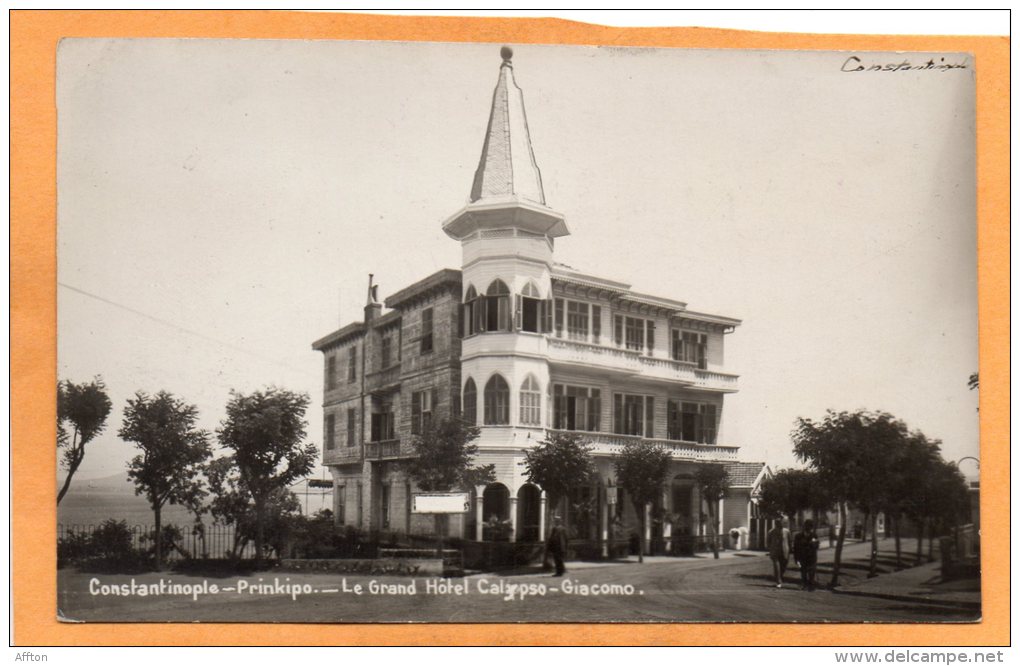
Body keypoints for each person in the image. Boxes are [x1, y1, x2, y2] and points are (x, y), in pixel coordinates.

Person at [793, 519, 820, 591]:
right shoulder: (798, 536)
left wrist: (813, 543)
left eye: (810, 527)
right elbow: (795, 548)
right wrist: (796, 559)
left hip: (812, 558)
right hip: (802, 558)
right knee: (803, 572)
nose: (808, 528)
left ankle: (811, 586)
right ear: (804, 527)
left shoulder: (814, 535)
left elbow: (816, 546)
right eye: (807, 526)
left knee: (811, 573)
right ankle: (804, 585)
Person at [766, 519, 793, 588]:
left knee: (783, 566)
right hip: (775, 552)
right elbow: (768, 541)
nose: (780, 525)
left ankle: (779, 577)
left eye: (781, 524)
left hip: (785, 551)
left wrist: (790, 549)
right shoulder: (771, 532)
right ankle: (778, 581)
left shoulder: (787, 531)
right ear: (776, 524)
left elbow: (790, 541)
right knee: (777, 566)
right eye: (778, 524)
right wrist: (770, 549)